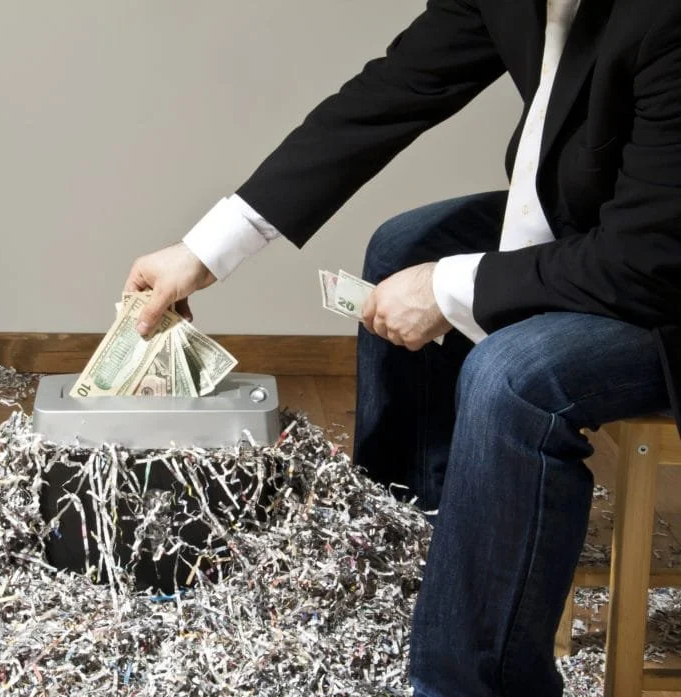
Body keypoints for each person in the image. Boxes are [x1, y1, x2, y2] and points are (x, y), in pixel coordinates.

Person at [120, 1, 681, 695]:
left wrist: (449, 288)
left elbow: (648, 261)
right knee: (402, 247)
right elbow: (393, 90)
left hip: (662, 282)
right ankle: (407, 567)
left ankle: (465, 683)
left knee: (510, 377)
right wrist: (205, 250)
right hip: (598, 224)